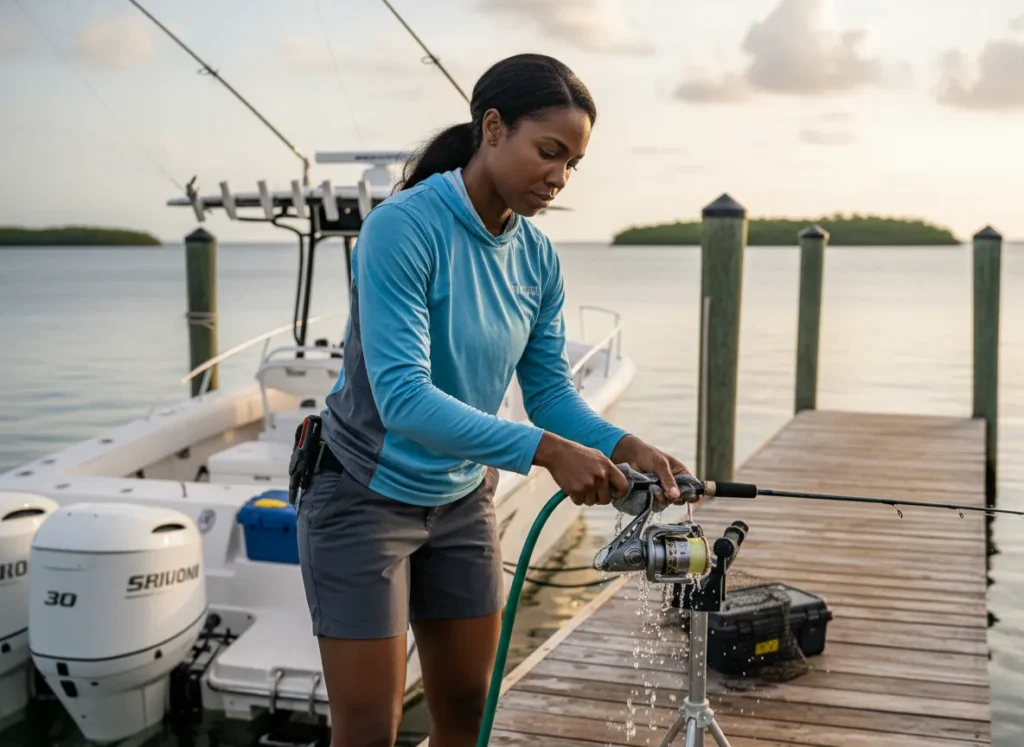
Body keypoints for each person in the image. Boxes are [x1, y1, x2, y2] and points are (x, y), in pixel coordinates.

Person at [296, 52, 689, 747]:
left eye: (573, 163)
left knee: (471, 708)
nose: (559, 177)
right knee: (367, 727)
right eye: (549, 152)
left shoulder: (538, 259)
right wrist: (545, 452)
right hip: (360, 495)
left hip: (459, 502)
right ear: (493, 127)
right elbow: (404, 399)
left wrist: (623, 446)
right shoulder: (402, 228)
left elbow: (549, 393)